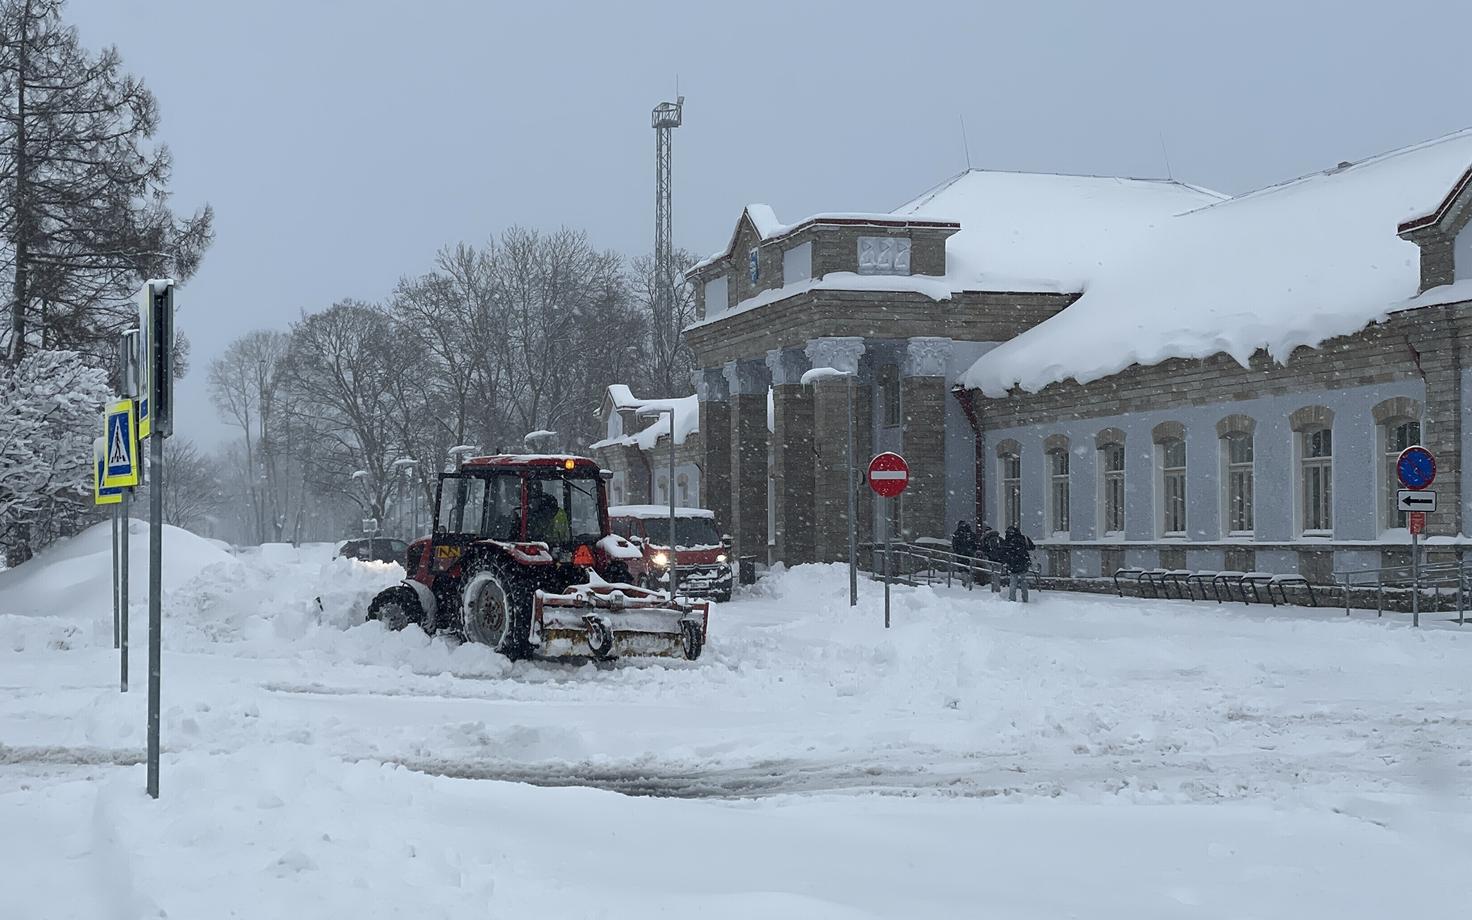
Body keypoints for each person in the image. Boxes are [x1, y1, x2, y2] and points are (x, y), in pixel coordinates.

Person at [998, 525, 1036, 603]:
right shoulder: (1023, 538)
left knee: (1013, 582)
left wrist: (1005, 561)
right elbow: (1032, 547)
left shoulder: (1008, 541)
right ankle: (1025, 598)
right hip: (1023, 563)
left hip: (1013, 564)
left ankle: (1012, 599)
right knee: (1023, 582)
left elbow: (1003, 553)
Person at [951, 520, 977, 588]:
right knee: (969, 568)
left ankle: (965, 583)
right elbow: (976, 544)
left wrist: (958, 551)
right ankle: (970, 582)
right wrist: (972, 551)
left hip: (961, 554)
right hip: (970, 555)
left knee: (962, 569)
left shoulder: (957, 533)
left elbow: (955, 545)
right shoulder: (971, 534)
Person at [978, 524, 1003, 593]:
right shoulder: (999, 538)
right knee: (997, 574)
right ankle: (996, 588)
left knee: (994, 574)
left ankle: (995, 589)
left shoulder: (986, 538)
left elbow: (984, 549)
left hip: (991, 559)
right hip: (999, 559)